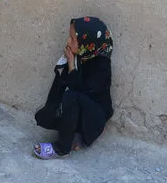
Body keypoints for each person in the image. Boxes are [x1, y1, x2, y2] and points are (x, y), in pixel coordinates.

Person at [33, 16, 114, 159]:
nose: (68, 42)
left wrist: (71, 67)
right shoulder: (80, 55)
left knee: (71, 97)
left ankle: (62, 148)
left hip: (94, 119)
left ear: (87, 44)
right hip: (79, 111)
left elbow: (79, 92)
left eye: (72, 39)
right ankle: (75, 136)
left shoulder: (101, 66)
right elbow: (61, 84)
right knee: (44, 116)